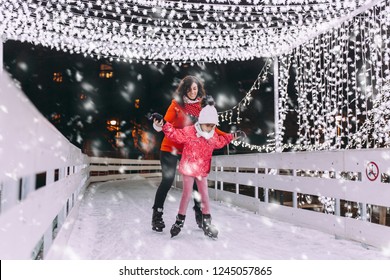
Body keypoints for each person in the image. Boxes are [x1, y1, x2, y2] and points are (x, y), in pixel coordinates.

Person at [159, 99, 244, 239]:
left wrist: (234, 136)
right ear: (201, 122)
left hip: (202, 171)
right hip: (188, 169)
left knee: (204, 196)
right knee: (186, 194)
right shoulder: (190, 132)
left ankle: (207, 223)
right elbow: (175, 134)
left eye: (212, 126)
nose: (209, 129)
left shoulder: (213, 136)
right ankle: (179, 221)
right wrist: (163, 123)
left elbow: (222, 141)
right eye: (207, 125)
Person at [150, 75, 208, 232]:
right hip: (170, 148)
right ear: (184, 90)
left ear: (199, 90)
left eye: (195, 89)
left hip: (188, 151)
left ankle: (199, 214)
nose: (192, 92)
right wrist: (158, 122)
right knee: (167, 180)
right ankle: (157, 215)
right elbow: (165, 123)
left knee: (196, 183)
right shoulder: (176, 105)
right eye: (189, 89)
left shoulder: (202, 108)